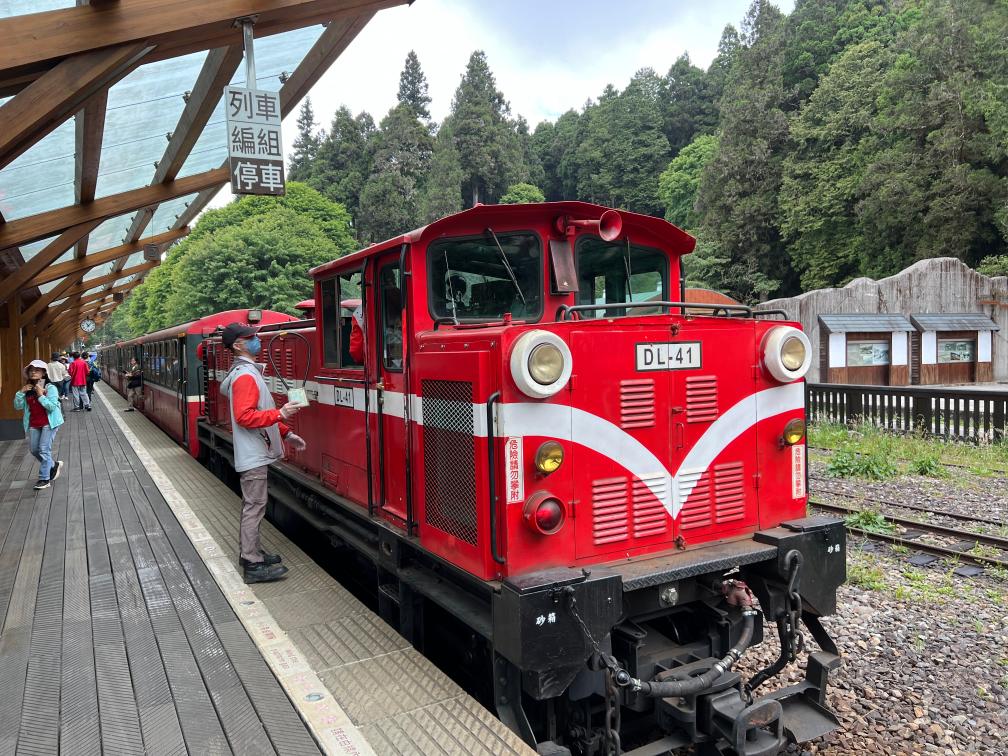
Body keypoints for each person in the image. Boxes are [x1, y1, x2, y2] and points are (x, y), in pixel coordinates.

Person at [219, 323, 306, 584]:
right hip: (253, 454)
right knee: (254, 506)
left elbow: (261, 410)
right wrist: (281, 414)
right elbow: (245, 416)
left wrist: (286, 432)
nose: (257, 340)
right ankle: (252, 563)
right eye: (251, 337)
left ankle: (253, 553)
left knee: (255, 505)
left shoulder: (245, 373)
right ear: (238, 345)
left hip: (257, 450)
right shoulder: (246, 376)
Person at [13, 359, 64, 490]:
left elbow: (52, 407)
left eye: (37, 370)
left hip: (49, 422)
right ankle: (53, 465)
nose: (33, 372)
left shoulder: (50, 387)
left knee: (43, 449)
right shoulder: (28, 389)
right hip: (34, 423)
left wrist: (41, 395)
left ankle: (44, 479)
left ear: (44, 373)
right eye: (31, 370)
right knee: (34, 450)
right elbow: (17, 406)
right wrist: (21, 392)